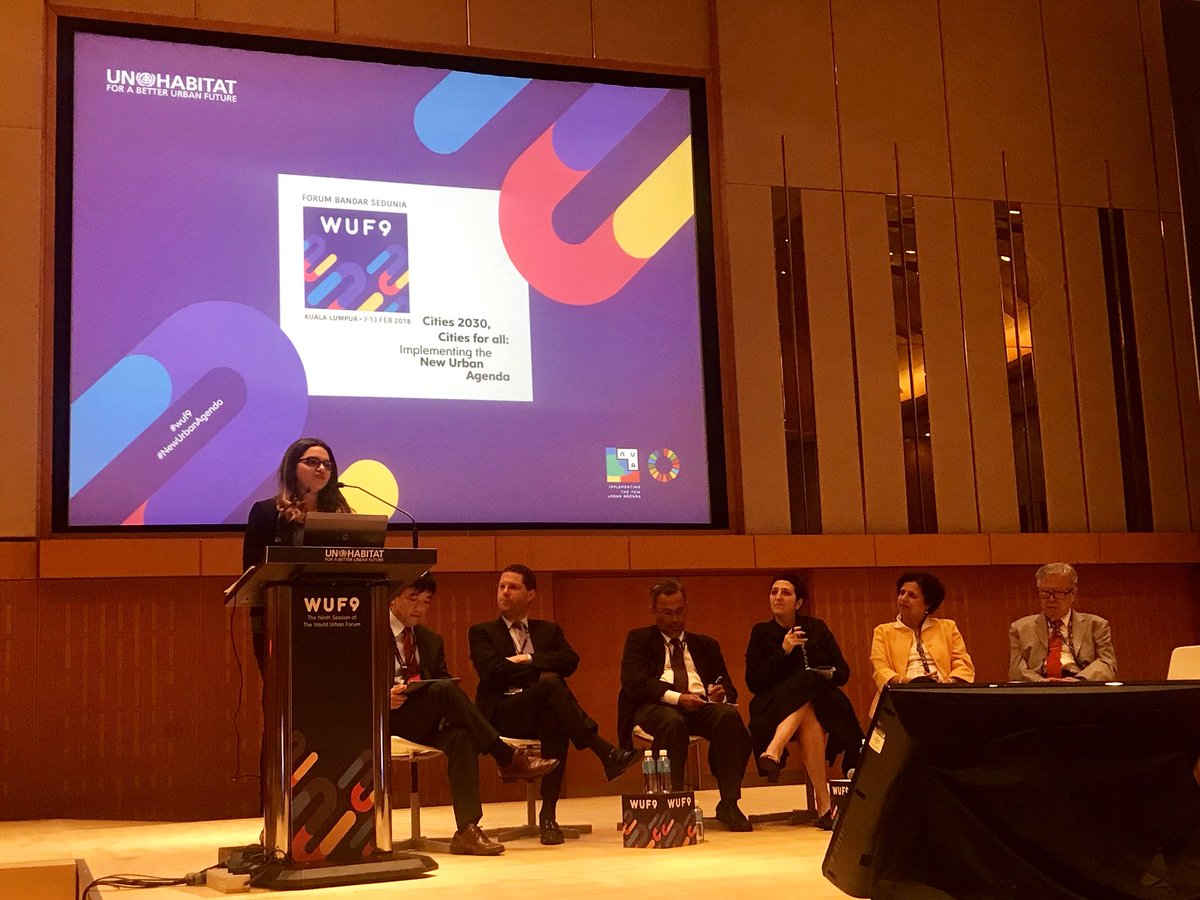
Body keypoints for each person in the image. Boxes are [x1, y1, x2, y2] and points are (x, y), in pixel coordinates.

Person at [468, 564, 639, 845]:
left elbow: (570, 661)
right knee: (550, 683)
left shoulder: (547, 630)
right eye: (501, 586)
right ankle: (603, 750)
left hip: (540, 711)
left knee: (555, 716)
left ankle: (548, 816)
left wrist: (528, 659)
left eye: (513, 587)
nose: (505, 592)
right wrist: (541, 671)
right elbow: (491, 671)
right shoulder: (482, 632)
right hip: (503, 711)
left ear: (530, 594)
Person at [388, 575, 559, 856]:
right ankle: (506, 757)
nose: (420, 607)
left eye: (426, 602)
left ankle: (467, 830)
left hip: (424, 717)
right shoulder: (370, 633)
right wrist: (384, 697)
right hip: (387, 718)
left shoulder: (430, 639)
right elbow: (347, 686)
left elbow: (441, 681)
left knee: (462, 736)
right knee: (445, 690)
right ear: (393, 598)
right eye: (413, 599)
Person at [618, 578, 755, 832]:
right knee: (673, 722)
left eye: (679, 611)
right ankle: (673, 804)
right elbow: (633, 682)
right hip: (657, 706)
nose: (674, 619)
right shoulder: (639, 640)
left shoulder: (706, 645)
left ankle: (729, 803)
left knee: (728, 717)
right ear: (653, 612)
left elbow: (727, 684)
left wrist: (720, 693)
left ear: (687, 608)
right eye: (667, 613)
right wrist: (678, 698)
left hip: (700, 704)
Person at [744, 572, 864, 830]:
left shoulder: (816, 628)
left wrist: (822, 674)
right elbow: (754, 682)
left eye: (785, 593)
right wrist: (783, 651)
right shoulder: (761, 632)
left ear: (798, 603)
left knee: (809, 690)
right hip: (774, 704)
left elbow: (843, 672)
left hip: (821, 700)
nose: (777, 597)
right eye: (774, 592)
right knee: (806, 694)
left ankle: (774, 751)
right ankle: (824, 805)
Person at [241, 437, 352, 668]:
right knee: (282, 684)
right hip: (278, 617)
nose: (321, 469)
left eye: (327, 464)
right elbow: (252, 574)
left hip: (335, 617)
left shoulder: (342, 516)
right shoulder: (268, 513)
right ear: (292, 467)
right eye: (312, 462)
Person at [870, 572, 974, 713]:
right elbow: (881, 671)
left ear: (928, 604)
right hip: (900, 698)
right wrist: (911, 683)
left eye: (912, 595)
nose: (903, 598)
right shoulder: (882, 631)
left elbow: (963, 665)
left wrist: (944, 685)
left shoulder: (948, 627)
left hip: (944, 696)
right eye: (902, 593)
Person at [1009, 562, 1117, 683]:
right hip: (1039, 686)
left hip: (1082, 684)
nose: (1051, 599)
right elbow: (1016, 671)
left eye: (1058, 593)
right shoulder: (1020, 628)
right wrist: (1040, 682)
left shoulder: (1096, 625)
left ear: (1073, 594)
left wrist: (1080, 680)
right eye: (1045, 593)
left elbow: (1107, 664)